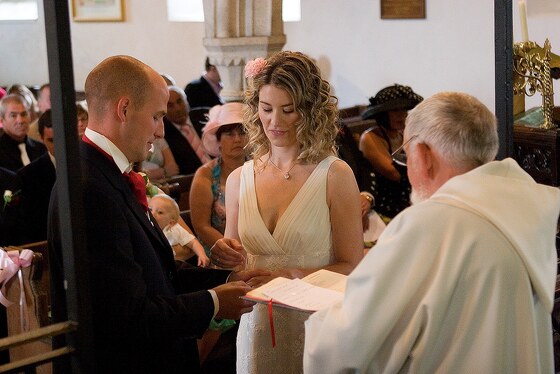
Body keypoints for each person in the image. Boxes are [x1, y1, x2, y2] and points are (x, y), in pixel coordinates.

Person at [303, 92, 560, 373]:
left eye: (405, 153)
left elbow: (345, 345)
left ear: (423, 154)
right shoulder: (525, 207)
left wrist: (319, 320)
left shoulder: (428, 227)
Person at [47, 55, 268, 374]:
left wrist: (226, 278)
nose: (161, 130)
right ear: (124, 110)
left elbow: (154, 274)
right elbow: (128, 315)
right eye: (156, 117)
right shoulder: (88, 188)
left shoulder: (105, 173)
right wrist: (215, 302)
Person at [211, 51, 364, 373]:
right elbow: (235, 257)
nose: (275, 122)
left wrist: (294, 276)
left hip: (317, 325)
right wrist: (225, 255)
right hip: (256, 325)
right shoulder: (240, 178)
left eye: (288, 110)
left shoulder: (334, 175)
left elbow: (352, 264)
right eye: (266, 109)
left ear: (309, 111)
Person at [189, 102, 249, 255]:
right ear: (218, 141)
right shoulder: (205, 175)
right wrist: (234, 252)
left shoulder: (260, 168)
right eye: (229, 134)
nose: (237, 139)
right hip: (221, 251)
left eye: (242, 133)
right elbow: (201, 226)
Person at [359, 84, 423, 219]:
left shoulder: (402, 134)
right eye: (395, 111)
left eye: (404, 110)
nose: (402, 115)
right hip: (385, 206)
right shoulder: (370, 137)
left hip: (409, 201)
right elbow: (394, 173)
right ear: (382, 115)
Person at [5, 110, 56, 245]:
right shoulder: (27, 176)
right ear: (41, 138)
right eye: (52, 140)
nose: (59, 146)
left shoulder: (88, 165)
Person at [149, 193, 210, 266]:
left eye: (160, 212)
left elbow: (193, 242)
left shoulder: (175, 230)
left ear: (171, 223)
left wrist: (202, 255)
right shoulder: (145, 227)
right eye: (150, 209)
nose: (152, 213)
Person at [164, 85, 211, 175]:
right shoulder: (165, 134)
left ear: (187, 101)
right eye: (170, 105)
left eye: (179, 101)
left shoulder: (205, 117)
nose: (177, 109)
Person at [0, 94, 46, 172]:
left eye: (24, 114)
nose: (20, 121)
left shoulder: (40, 149)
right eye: (13, 116)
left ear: (30, 116)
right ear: (2, 121)